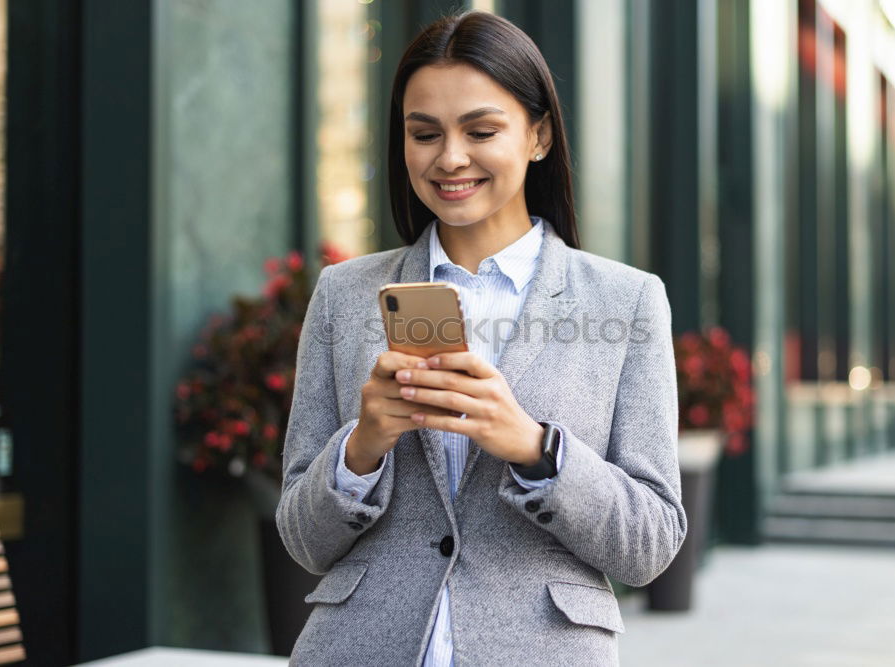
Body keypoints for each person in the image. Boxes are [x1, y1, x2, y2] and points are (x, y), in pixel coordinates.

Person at [276, 11, 686, 666]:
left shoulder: (627, 302)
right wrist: (363, 445)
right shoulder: (345, 294)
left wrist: (535, 447)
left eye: (481, 130)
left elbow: (651, 542)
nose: (450, 157)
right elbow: (301, 536)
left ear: (539, 134)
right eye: (424, 133)